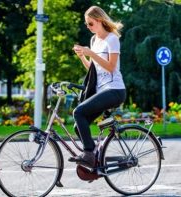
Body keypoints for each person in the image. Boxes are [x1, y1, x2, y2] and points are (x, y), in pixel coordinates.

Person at [69, 6, 126, 167]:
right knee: (78, 126)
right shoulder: (94, 41)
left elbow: (111, 67)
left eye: (90, 24)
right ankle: (95, 156)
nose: (88, 27)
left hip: (115, 90)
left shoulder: (112, 39)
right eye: (87, 24)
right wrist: (82, 57)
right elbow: (94, 70)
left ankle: (89, 154)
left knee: (78, 112)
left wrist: (91, 54)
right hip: (102, 91)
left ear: (100, 20)